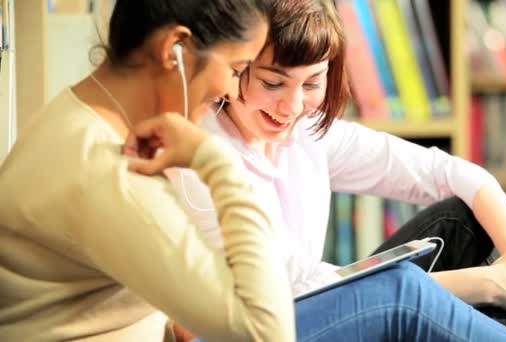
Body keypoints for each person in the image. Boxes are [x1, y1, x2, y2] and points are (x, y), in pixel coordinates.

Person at [169, 0, 506, 341]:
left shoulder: (306, 132)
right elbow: (296, 286)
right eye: (273, 83)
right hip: (252, 329)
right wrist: (493, 285)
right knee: (402, 289)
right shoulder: (202, 155)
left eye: (312, 83)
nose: (291, 107)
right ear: (236, 68)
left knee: (458, 219)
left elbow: (451, 172)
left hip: (305, 310)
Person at [0, 1, 297, 341]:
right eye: (235, 69)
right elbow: (266, 333)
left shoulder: (75, 117)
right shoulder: (109, 170)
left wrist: (169, 322)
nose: (231, 91)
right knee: (371, 302)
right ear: (176, 49)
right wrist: (218, 160)